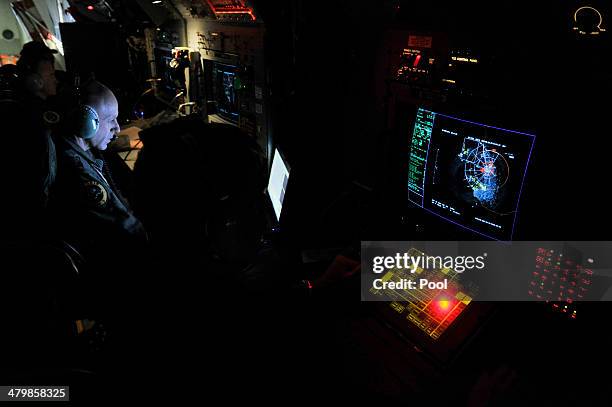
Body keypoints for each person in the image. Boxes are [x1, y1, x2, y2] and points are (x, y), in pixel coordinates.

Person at [48, 80, 147, 319]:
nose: (116, 127)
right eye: (110, 119)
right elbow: (129, 231)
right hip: (109, 280)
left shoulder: (75, 150)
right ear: (87, 123)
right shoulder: (78, 170)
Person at [0, 41, 59, 239]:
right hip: (34, 221)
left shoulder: (29, 109)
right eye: (50, 75)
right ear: (35, 81)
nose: (55, 80)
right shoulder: (30, 119)